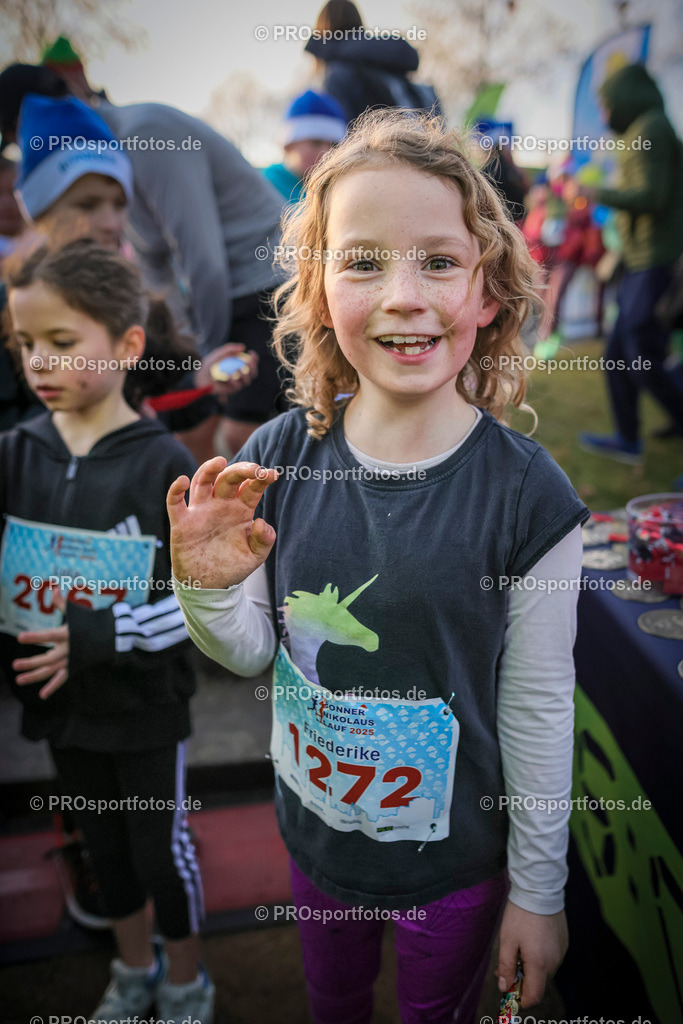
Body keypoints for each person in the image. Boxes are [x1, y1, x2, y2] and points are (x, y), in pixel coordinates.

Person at [168, 110, 590, 1024]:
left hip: (456, 867)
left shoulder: (528, 499)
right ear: (318, 293)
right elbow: (248, 654)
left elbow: (537, 704)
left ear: (488, 292)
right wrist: (205, 586)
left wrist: (539, 891)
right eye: (362, 262)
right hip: (317, 847)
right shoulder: (276, 458)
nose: (403, 294)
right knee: (333, 1000)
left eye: (437, 260)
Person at [0, 240, 214, 1021]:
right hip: (63, 709)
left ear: (126, 347)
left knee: (162, 854)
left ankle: (187, 982)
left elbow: (192, 604)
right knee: (103, 850)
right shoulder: (15, 454)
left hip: (146, 710)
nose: (39, 363)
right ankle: (132, 973)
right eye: (25, 345)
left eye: (61, 343)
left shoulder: (162, 466)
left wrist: (95, 637)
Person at [0, 58, 286, 459]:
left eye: (117, 205)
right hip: (221, 300)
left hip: (267, 283)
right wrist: (189, 358)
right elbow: (155, 265)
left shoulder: (145, 137)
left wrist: (199, 360)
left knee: (240, 436)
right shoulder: (28, 286)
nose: (111, 221)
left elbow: (202, 259)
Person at [579, 62, 683, 463]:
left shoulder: (652, 128)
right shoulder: (646, 130)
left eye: (605, 105)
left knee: (641, 357)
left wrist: (599, 192)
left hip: (656, 262)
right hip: (641, 261)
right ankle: (628, 439)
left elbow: (653, 197)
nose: (604, 115)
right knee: (622, 354)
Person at [306, 0, 440, 123]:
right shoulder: (386, 59)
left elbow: (339, 135)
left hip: (381, 147)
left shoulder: (337, 75)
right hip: (418, 142)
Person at [263, 90, 347, 204]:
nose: (327, 152)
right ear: (288, 145)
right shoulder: (264, 187)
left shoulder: (341, 190)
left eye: (334, 145)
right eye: (316, 143)